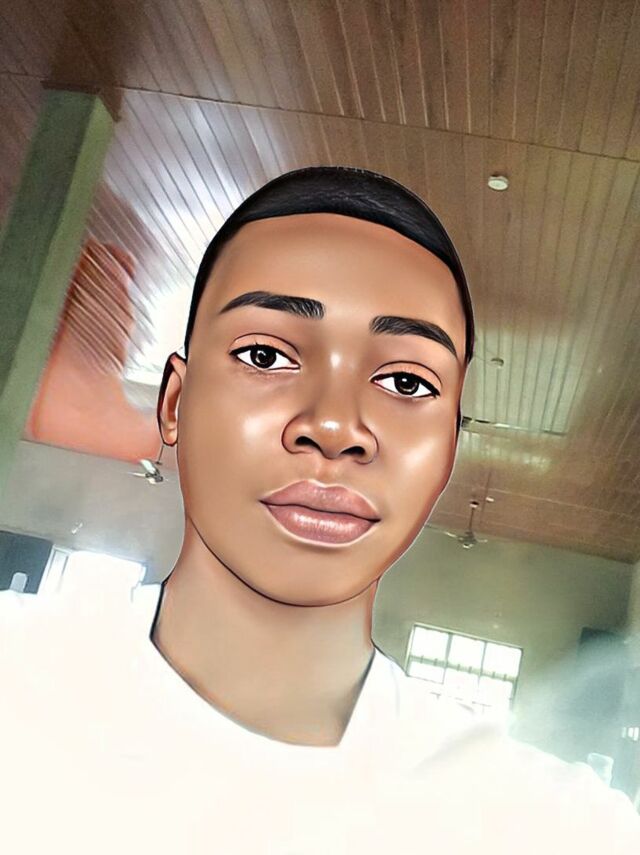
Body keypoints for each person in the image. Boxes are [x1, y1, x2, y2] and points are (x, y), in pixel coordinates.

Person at [1, 166, 638, 854]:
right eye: (265, 354)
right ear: (175, 402)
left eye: (406, 381)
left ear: (450, 450)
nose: (335, 427)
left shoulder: (550, 827)